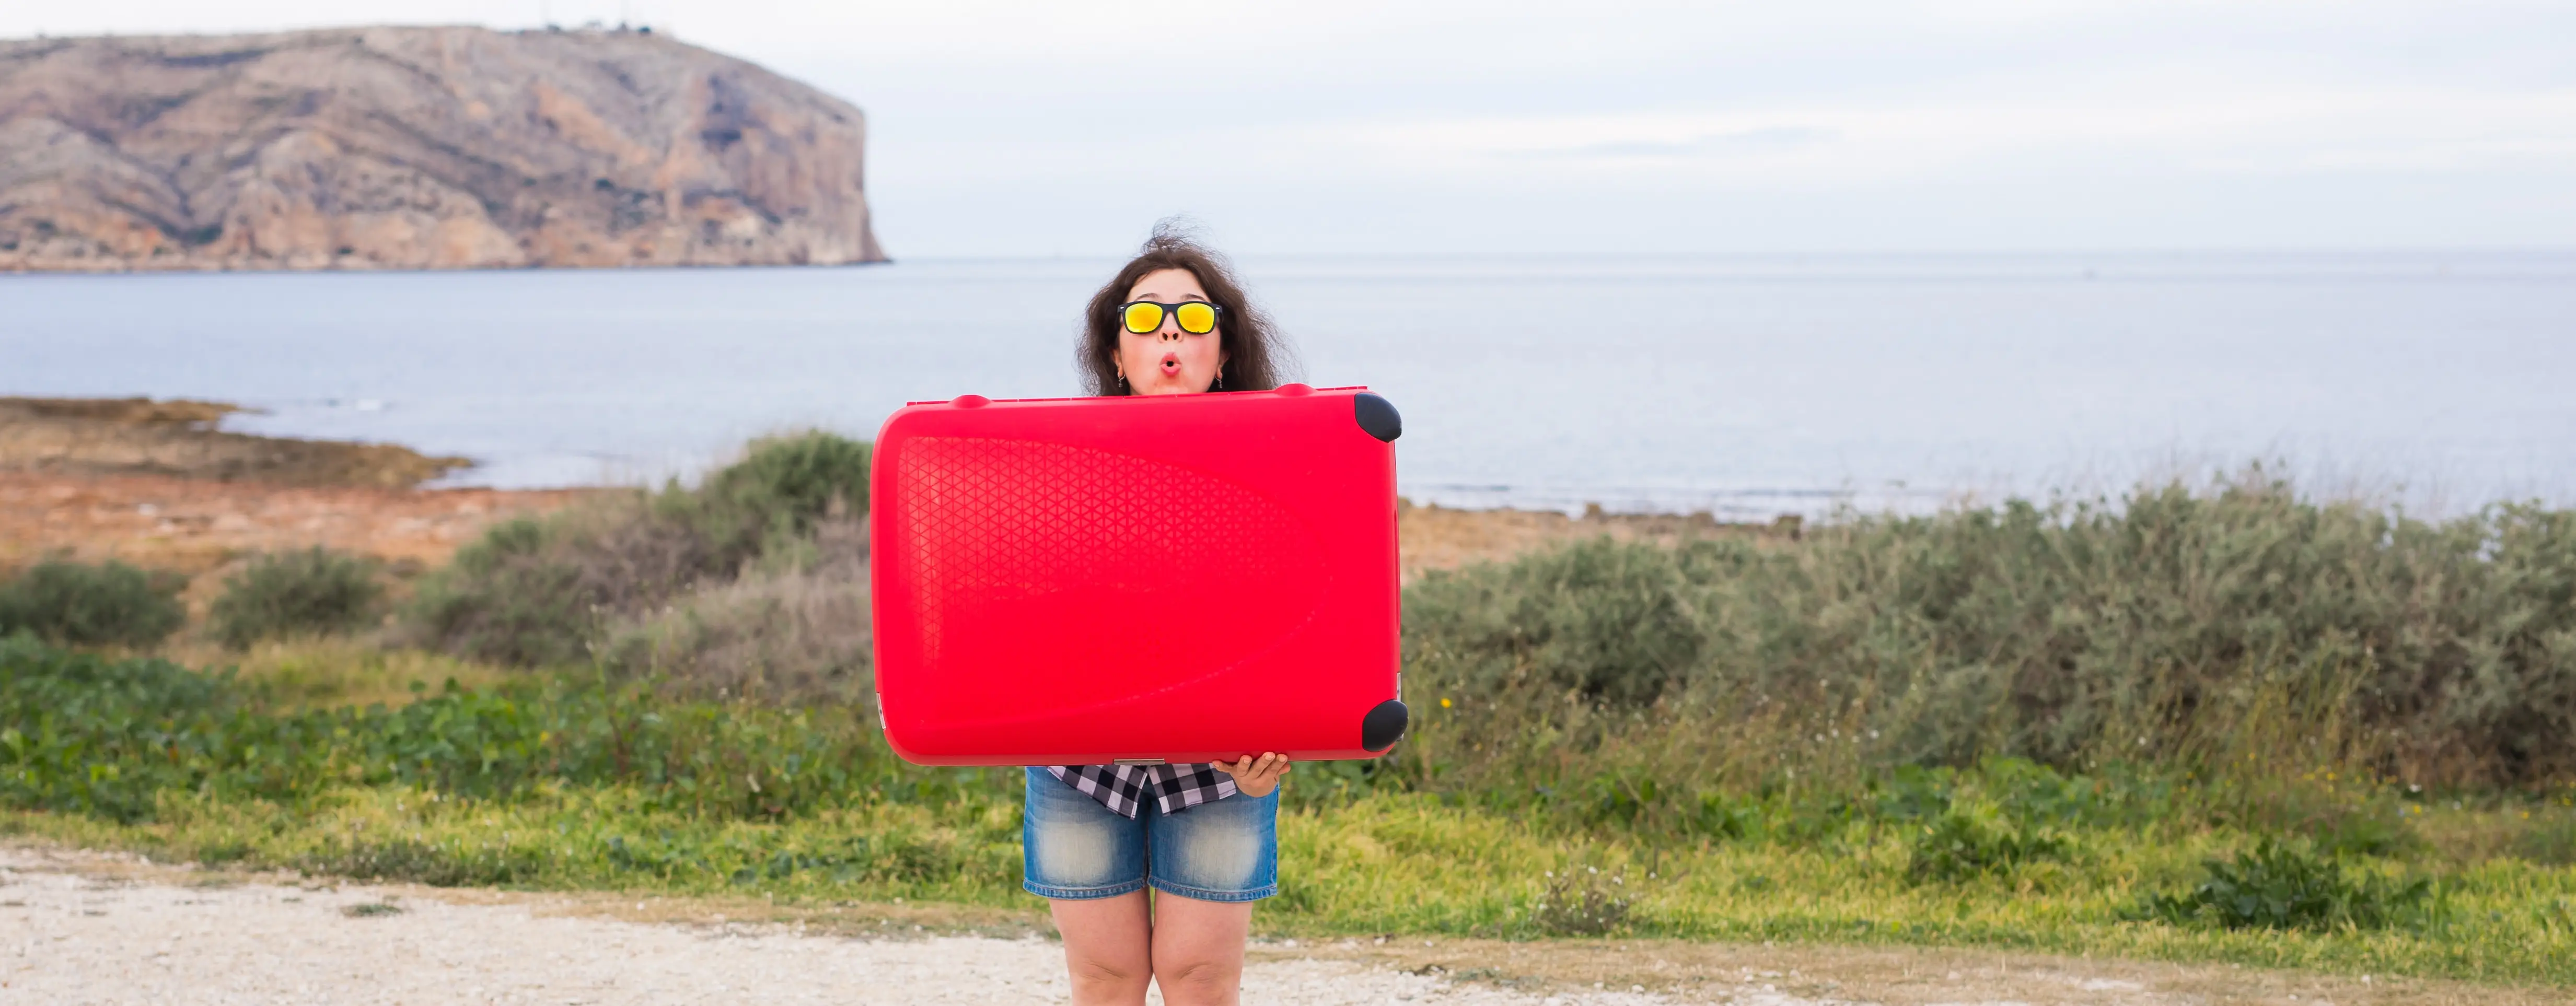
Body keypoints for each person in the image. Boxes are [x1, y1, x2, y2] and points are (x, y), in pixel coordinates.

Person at [1023, 226, 1296, 1006]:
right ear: (1115, 354)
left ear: (1224, 349)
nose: (1169, 330)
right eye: (1143, 318)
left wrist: (1282, 730)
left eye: (1192, 315)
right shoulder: (1059, 466)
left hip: (1219, 768)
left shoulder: (1278, 468)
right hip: (1080, 761)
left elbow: (1303, 622)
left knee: (1199, 978)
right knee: (1104, 979)